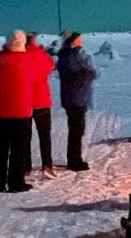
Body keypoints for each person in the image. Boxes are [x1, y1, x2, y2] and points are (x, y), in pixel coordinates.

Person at [0, 31, 35, 193]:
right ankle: (16, 182)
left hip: (0, 111)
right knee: (19, 149)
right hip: (21, 111)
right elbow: (36, 76)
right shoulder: (28, 59)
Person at [55, 30, 97, 171]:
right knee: (76, 130)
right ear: (73, 41)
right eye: (79, 39)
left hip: (75, 98)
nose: (81, 41)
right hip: (75, 99)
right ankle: (74, 161)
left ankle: (74, 159)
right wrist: (89, 73)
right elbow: (77, 74)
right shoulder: (70, 56)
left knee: (77, 130)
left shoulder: (70, 55)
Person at [24, 32, 56, 176]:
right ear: (34, 41)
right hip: (42, 101)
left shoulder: (20, 55)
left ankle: (25, 167)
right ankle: (47, 166)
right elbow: (50, 67)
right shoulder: (41, 54)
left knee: (25, 137)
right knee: (45, 136)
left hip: (24, 102)